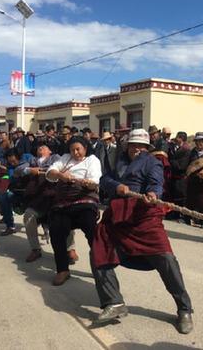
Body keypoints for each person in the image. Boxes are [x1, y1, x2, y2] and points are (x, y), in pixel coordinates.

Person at [92, 128, 194, 334]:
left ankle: (184, 308)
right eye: (133, 145)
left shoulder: (152, 162)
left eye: (142, 146)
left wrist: (152, 193)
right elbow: (104, 179)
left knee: (166, 259)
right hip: (118, 213)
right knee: (99, 250)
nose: (137, 149)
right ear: (127, 145)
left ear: (147, 148)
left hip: (144, 214)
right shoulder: (117, 159)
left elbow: (157, 183)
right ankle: (114, 302)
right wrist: (117, 186)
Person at [46, 137, 102, 285]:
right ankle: (62, 269)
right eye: (72, 150)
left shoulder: (92, 160)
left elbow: (94, 182)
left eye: (78, 149)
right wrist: (60, 175)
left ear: (85, 148)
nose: (75, 152)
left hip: (84, 200)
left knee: (92, 229)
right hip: (63, 202)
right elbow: (50, 172)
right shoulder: (65, 159)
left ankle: (101, 267)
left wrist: (88, 183)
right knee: (56, 229)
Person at [168, 131, 191, 212]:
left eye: (177, 137)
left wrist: (171, 161)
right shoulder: (175, 148)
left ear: (181, 139)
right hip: (174, 177)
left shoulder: (186, 150)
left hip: (181, 178)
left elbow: (182, 166)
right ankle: (175, 213)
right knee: (175, 196)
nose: (176, 139)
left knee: (182, 197)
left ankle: (182, 215)